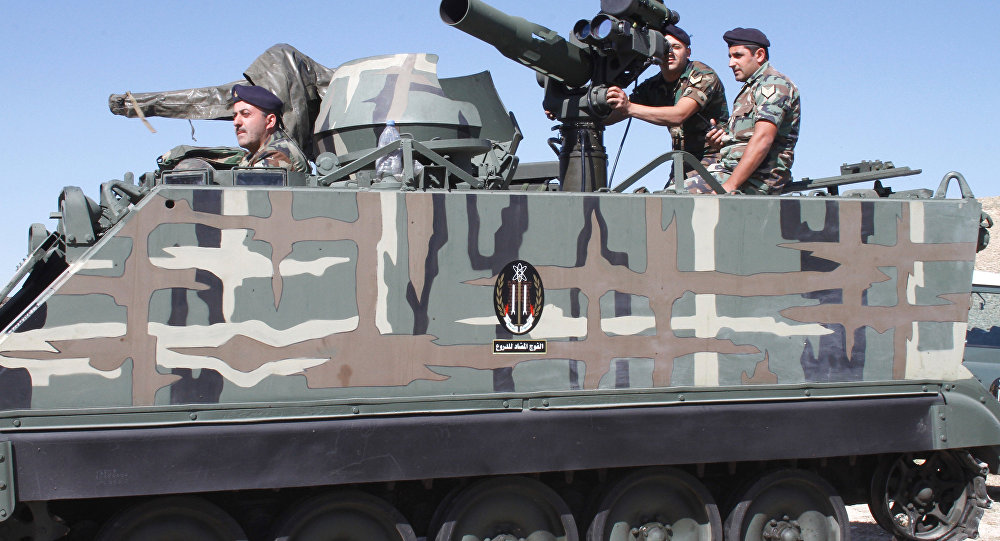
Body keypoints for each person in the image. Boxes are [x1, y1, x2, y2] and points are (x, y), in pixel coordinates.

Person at [604, 25, 729, 170]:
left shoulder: (702, 74)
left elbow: (679, 115)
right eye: (664, 48)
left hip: (716, 158)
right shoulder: (653, 85)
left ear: (688, 52)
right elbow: (614, 115)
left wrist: (629, 108)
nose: (669, 52)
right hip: (682, 162)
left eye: (676, 47)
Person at [698, 27, 800, 194]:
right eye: (730, 57)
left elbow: (763, 138)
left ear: (759, 55)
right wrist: (722, 140)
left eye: (738, 56)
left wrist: (730, 186)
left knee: (672, 201)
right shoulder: (751, 89)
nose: (731, 63)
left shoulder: (774, 85)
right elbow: (745, 140)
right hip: (733, 171)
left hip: (759, 178)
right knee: (669, 195)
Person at [231, 84, 310, 173]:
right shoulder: (254, 155)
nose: (236, 122)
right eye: (235, 116)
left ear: (270, 121)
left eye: (246, 114)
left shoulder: (278, 153)